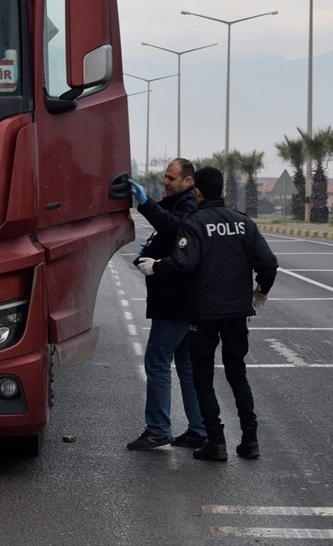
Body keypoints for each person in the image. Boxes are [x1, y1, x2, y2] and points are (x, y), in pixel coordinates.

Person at [137, 166, 279, 462]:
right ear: (221, 190)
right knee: (237, 374)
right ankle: (250, 441)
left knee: (202, 375)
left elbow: (184, 263)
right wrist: (262, 290)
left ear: (197, 190)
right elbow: (268, 262)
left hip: (206, 314)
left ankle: (215, 442)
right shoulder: (243, 222)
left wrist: (155, 266)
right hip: (238, 313)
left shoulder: (196, 223)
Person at [125, 158, 207, 451]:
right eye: (165, 177)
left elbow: (174, 229)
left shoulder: (188, 207)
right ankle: (199, 429)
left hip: (175, 300)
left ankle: (159, 428)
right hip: (180, 300)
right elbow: (164, 218)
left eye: (171, 178)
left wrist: (145, 203)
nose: (166, 182)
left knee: (157, 361)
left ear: (188, 182)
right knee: (185, 365)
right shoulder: (178, 202)